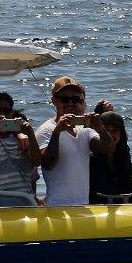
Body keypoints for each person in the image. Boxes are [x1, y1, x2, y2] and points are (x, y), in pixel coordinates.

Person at [34, 75, 113, 208]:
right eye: (65, 99)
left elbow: (108, 149)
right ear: (54, 101)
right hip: (57, 207)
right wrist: (57, 132)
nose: (70, 104)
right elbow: (48, 164)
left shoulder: (84, 129)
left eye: (76, 100)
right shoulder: (47, 130)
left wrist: (101, 129)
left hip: (82, 206)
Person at [88, 112, 132, 205]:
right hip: (97, 205)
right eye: (107, 131)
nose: (111, 134)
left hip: (123, 205)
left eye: (115, 130)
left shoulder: (123, 153)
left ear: (121, 133)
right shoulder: (91, 156)